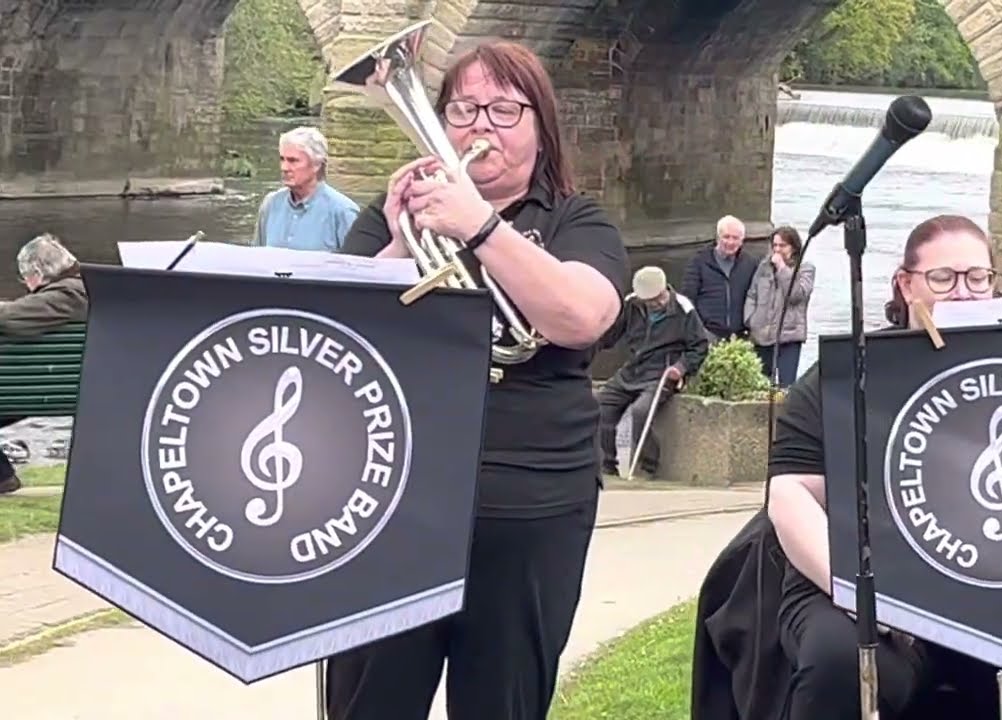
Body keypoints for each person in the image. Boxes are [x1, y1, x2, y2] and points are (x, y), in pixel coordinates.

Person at [694, 215, 1002, 719]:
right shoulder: (842, 377)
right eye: (944, 278)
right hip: (863, 580)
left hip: (996, 580)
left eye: (978, 278)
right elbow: (791, 494)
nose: (965, 293)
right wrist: (860, 595)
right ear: (906, 285)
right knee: (837, 659)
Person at [327, 41, 629, 719]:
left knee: (504, 700)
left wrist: (482, 227)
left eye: (503, 109)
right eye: (463, 108)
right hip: (392, 496)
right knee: (365, 701)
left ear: (540, 127)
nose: (480, 126)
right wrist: (403, 243)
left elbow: (581, 316)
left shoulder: (578, 221)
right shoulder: (389, 217)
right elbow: (338, 335)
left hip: (529, 504)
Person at [597, 265, 710, 479]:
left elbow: (699, 346)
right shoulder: (632, 304)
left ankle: (649, 465)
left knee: (641, 412)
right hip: (633, 369)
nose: (657, 303)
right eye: (650, 301)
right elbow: (612, 334)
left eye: (660, 298)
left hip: (661, 373)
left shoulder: (683, 309)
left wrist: (681, 367)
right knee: (603, 406)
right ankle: (607, 464)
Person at [0, 234, 89, 495]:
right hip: (76, 387)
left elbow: (10, 319)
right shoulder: (86, 289)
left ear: (37, 272)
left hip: (39, 391)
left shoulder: (68, 294)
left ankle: (2, 476)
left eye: (25, 277)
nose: (26, 285)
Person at [253, 126, 359, 251]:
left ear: (316, 165)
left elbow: (357, 266)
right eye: (282, 159)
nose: (284, 167)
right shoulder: (271, 204)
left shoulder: (343, 212)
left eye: (293, 161)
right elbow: (256, 258)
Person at [744, 225, 814, 387]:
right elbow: (752, 294)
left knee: (786, 386)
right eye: (774, 245)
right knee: (761, 384)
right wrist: (750, 319)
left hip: (788, 336)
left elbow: (797, 295)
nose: (777, 250)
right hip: (762, 334)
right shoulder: (764, 267)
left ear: (794, 247)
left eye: (782, 246)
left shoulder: (805, 269)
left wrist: (782, 268)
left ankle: (781, 411)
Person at [681, 214, 758, 341]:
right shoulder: (699, 262)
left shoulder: (751, 263)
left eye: (735, 238)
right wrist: (699, 330)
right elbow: (688, 299)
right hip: (708, 333)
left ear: (742, 240)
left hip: (740, 336)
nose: (730, 242)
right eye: (726, 237)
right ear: (717, 237)